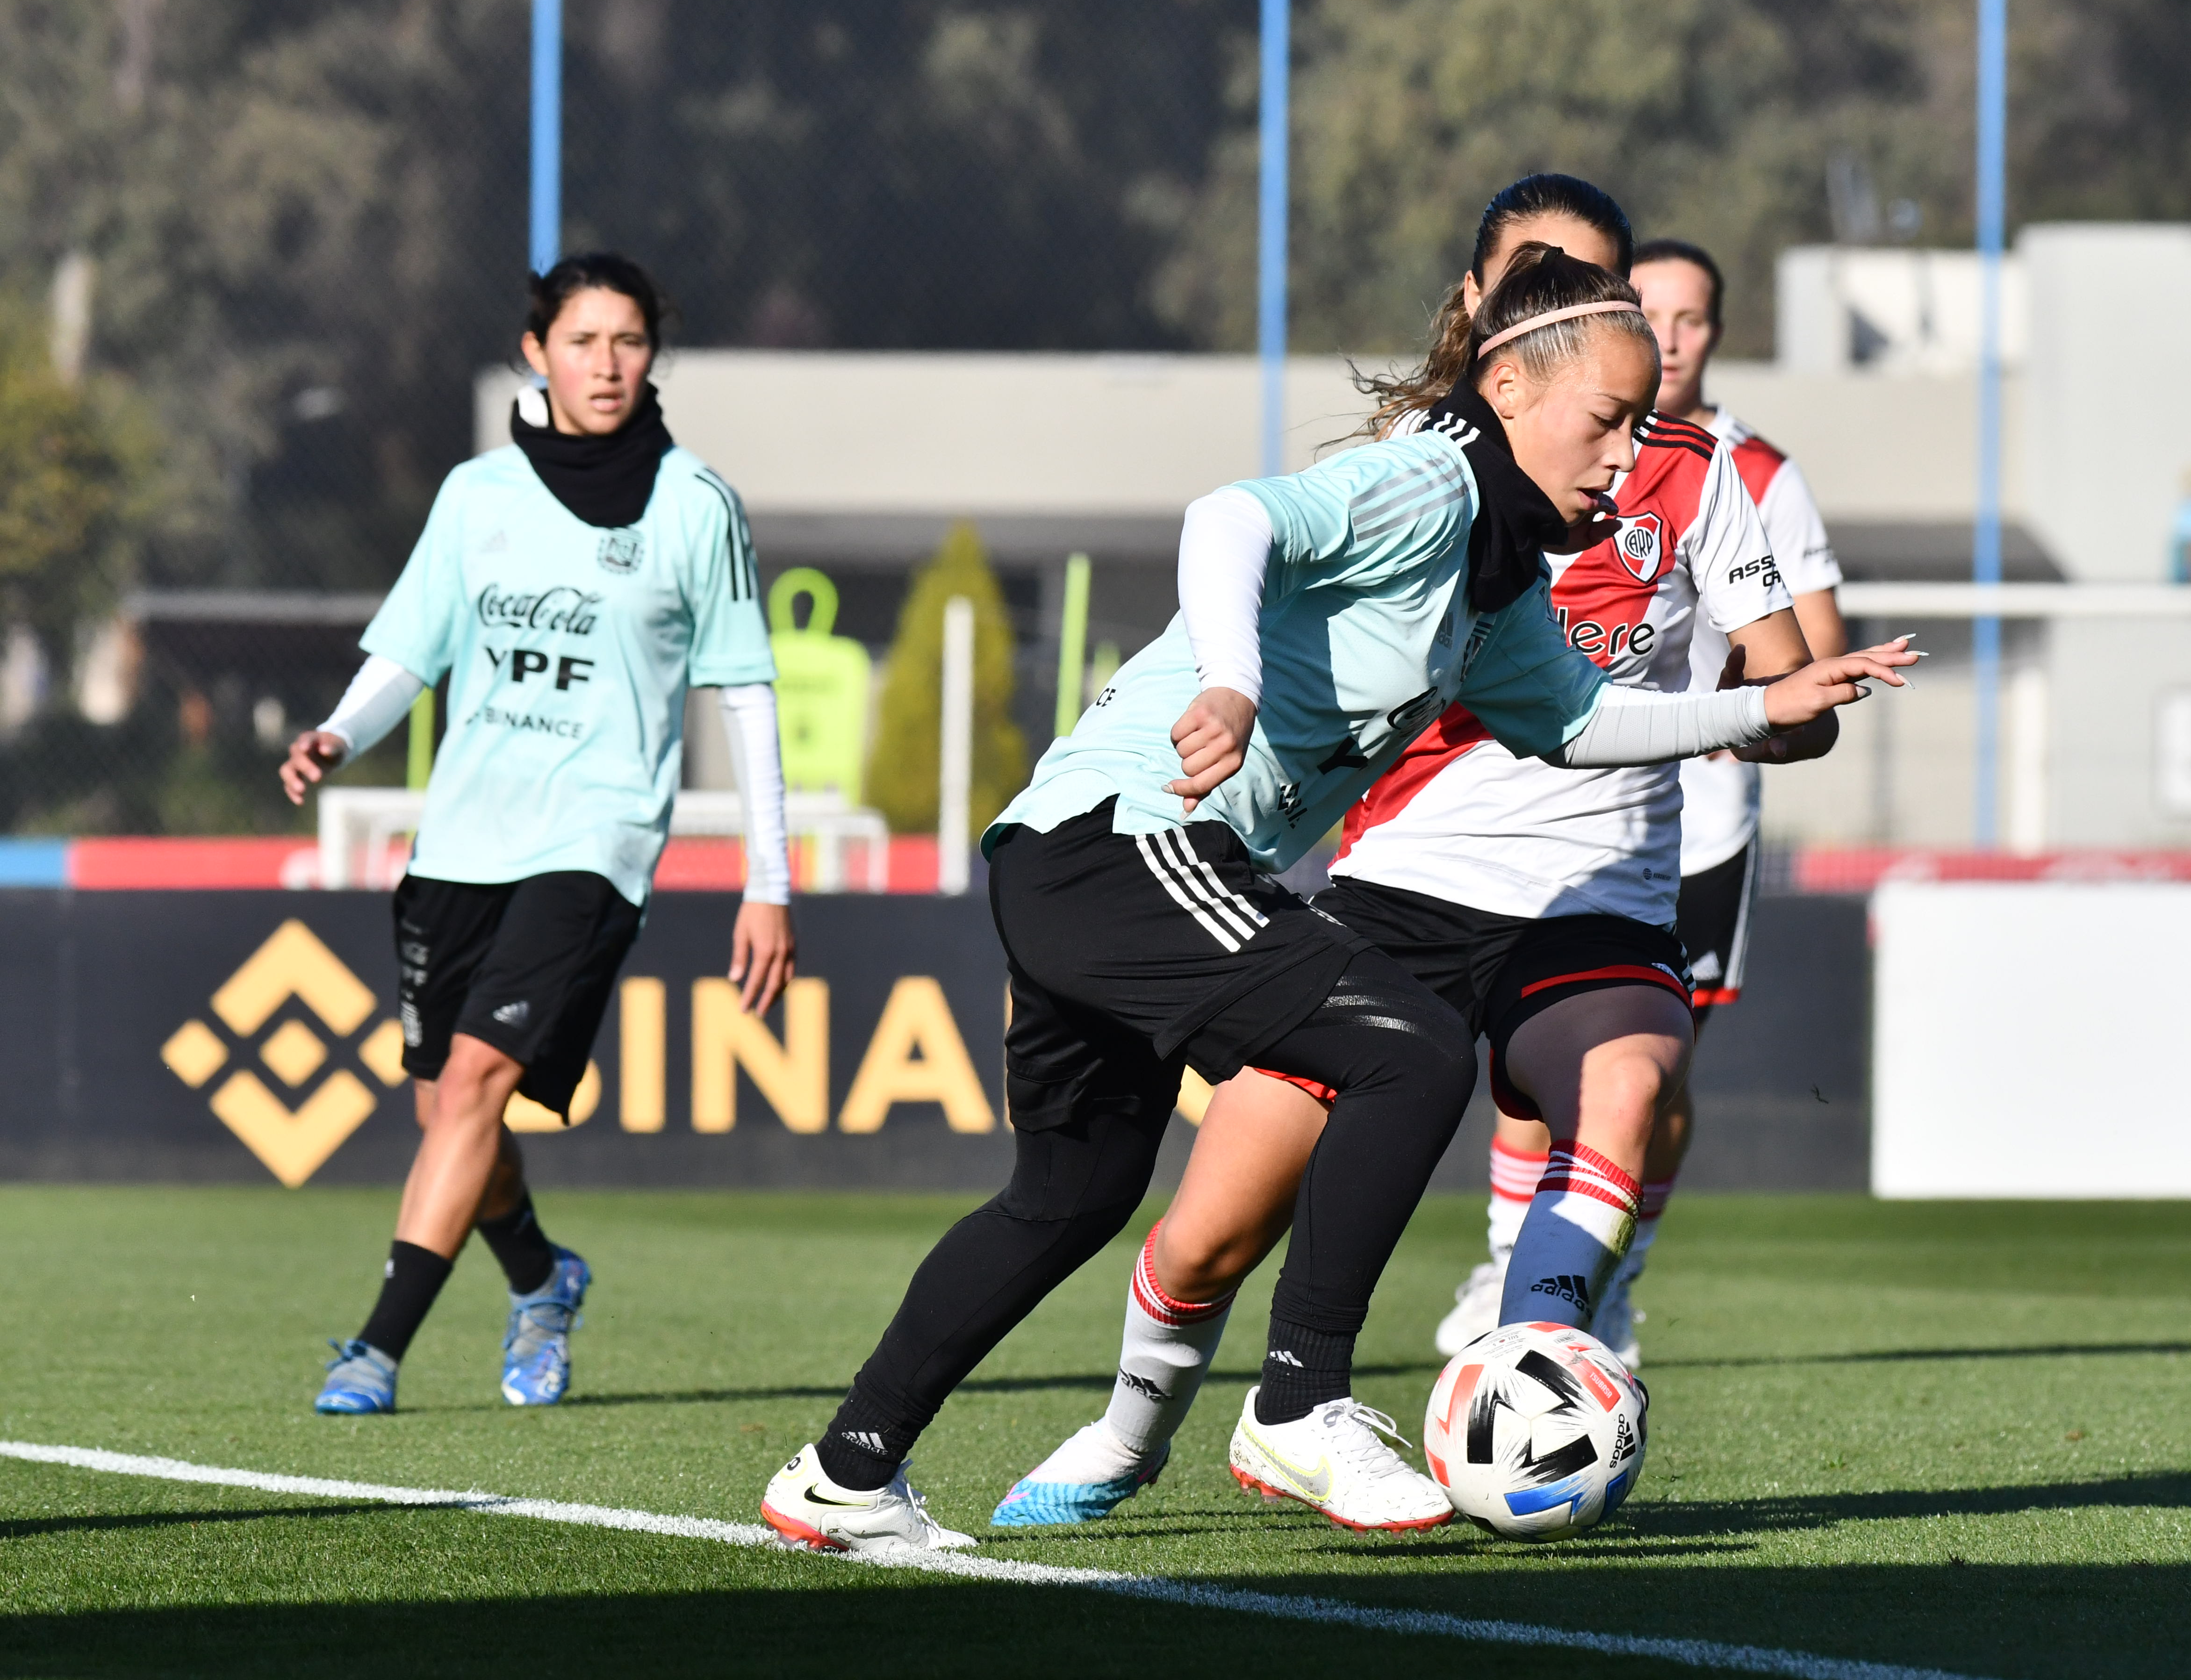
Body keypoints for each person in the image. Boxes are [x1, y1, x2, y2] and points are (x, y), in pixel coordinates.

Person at [761, 243, 1912, 1553]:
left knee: (1070, 1197)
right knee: (1411, 1051)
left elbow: (1583, 722)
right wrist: (1233, 681)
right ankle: (1300, 1401)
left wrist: (1768, 705)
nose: (1623, 453)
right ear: (1510, 387)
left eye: (1642, 426)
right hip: (1127, 842)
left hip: (1088, 860)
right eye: (1604, 419)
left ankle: (845, 1467)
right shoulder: (1429, 480)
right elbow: (1231, 520)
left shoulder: (1497, 579)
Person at [282, 252, 794, 1416]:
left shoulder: (695, 504)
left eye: (628, 342)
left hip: (597, 837)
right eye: (583, 341)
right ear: (537, 353)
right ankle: (541, 1276)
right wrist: (337, 735)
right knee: (446, 1107)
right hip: (463, 835)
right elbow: (412, 648)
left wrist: (771, 879)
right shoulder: (477, 496)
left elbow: (746, 692)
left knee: (474, 1079)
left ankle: (377, 1346)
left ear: (652, 356)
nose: (607, 365)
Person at [1434, 236, 1852, 1368]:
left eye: (1693, 317)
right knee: (1526, 1067)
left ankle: (1602, 1281)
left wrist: (1755, 708)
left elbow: (1810, 658)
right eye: (1650, 313)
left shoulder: (1750, 469)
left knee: (1645, 1076)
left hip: (1687, 827)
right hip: (1496, 827)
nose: (1672, 336)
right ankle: (1512, 1264)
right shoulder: (1471, 458)